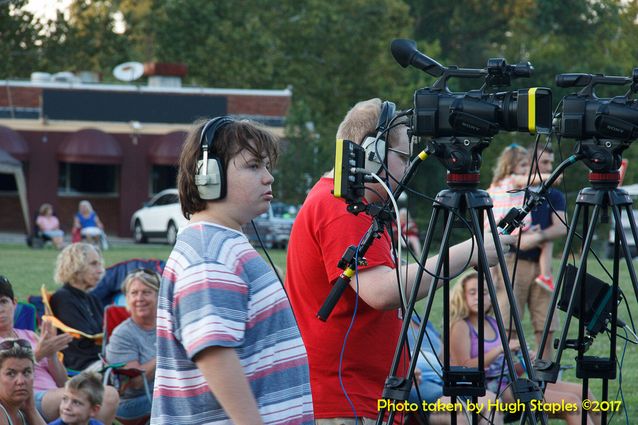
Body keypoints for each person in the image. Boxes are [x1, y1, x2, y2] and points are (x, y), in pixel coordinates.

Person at [284, 98, 515, 424]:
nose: (408, 168)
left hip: (363, 392)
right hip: (345, 399)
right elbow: (381, 292)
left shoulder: (359, 203)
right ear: (372, 152)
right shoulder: (341, 207)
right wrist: (470, 252)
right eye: (404, 157)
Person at [151, 117, 313, 425]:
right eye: (253, 166)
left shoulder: (221, 245)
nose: (268, 178)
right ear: (207, 176)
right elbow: (214, 353)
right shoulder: (209, 254)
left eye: (266, 166)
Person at [449, 271, 600, 425]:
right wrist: (501, 349)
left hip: (511, 382)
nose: (478, 297)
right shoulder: (460, 326)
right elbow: (465, 367)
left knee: (583, 393)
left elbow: (506, 369)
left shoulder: (492, 322)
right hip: (490, 389)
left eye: (484, 293)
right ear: (462, 296)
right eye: (472, 292)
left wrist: (524, 363)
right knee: (571, 403)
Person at [489, 143, 566, 359]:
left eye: (552, 163)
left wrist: (535, 238)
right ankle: (510, 376)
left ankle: (545, 376)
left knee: (547, 325)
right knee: (508, 324)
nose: (549, 167)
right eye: (545, 162)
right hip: (514, 261)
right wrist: (524, 240)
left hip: (542, 264)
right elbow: (500, 222)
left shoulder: (555, 195)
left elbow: (561, 228)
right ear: (531, 162)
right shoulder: (513, 190)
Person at [105, 269, 159, 420]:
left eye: (146, 292)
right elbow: (135, 382)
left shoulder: (169, 325)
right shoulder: (122, 335)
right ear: (127, 298)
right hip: (133, 402)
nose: (139, 298)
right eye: (134, 293)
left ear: (158, 295)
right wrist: (165, 353)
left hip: (166, 392)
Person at [49, 243, 105, 372]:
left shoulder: (92, 299)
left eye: (99, 264)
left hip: (102, 359)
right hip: (81, 366)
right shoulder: (63, 299)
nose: (100, 270)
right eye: (93, 264)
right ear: (76, 267)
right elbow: (83, 342)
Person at [0, 339, 46, 425]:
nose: (21, 381)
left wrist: (31, 410)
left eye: (27, 372)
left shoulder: (21, 412)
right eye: (11, 373)